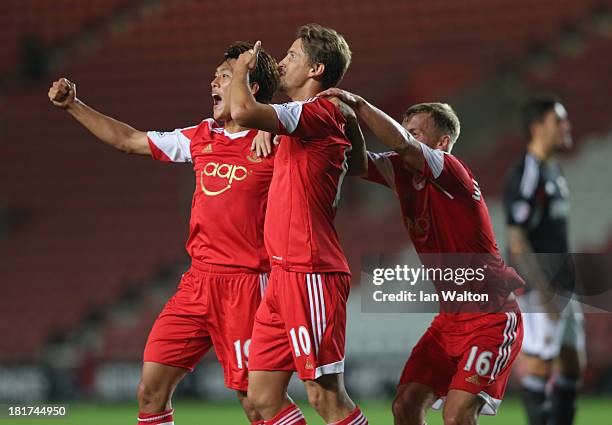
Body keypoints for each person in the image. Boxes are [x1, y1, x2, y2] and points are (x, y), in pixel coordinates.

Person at [48, 42, 280, 425]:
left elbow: (326, 123)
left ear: (249, 88)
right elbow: (129, 141)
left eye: (223, 76)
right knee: (150, 393)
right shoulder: (202, 136)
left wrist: (273, 123)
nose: (213, 82)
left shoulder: (281, 141)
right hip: (197, 283)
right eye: (215, 75)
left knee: (257, 404)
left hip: (247, 285)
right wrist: (74, 104)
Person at [316, 89, 525, 425]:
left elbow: (401, 145)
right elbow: (355, 162)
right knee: (405, 405)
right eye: (404, 127)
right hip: (449, 320)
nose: (404, 135)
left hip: (491, 318)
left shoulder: (451, 171)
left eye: (414, 131)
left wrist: (360, 105)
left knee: (457, 415)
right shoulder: (402, 172)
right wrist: (351, 123)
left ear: (441, 142)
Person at [229, 24, 368, 425]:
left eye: (292, 55)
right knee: (261, 397)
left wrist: (242, 70)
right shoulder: (309, 119)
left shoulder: (318, 111)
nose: (282, 60)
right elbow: (356, 164)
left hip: (311, 269)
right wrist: (266, 128)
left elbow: (240, 110)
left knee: (325, 396)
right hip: (282, 274)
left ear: (316, 69)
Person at [502, 96, 584, 425]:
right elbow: (516, 238)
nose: (566, 126)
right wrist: (542, 288)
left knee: (572, 362)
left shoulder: (553, 169)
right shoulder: (527, 174)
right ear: (537, 128)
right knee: (539, 362)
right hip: (541, 287)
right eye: (558, 120)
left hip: (563, 283)